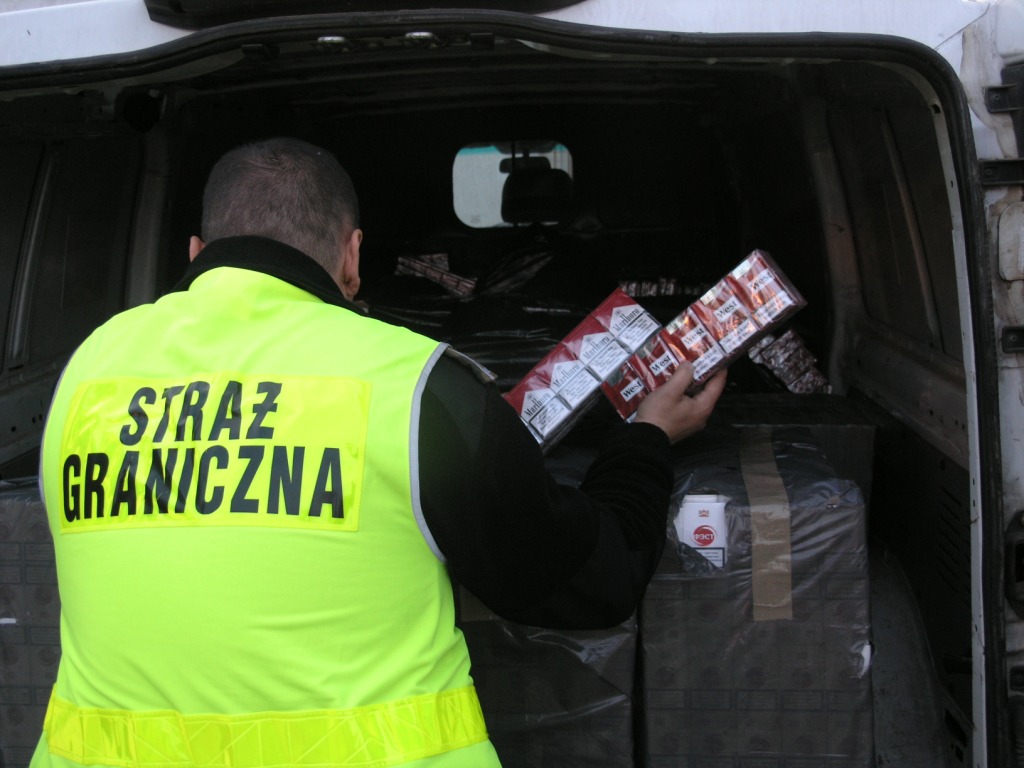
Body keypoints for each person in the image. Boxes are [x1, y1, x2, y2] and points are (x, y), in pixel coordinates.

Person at [32, 137, 727, 768]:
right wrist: (648, 435)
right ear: (352, 256)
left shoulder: (86, 370)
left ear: (195, 253)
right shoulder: (413, 385)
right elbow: (593, 580)